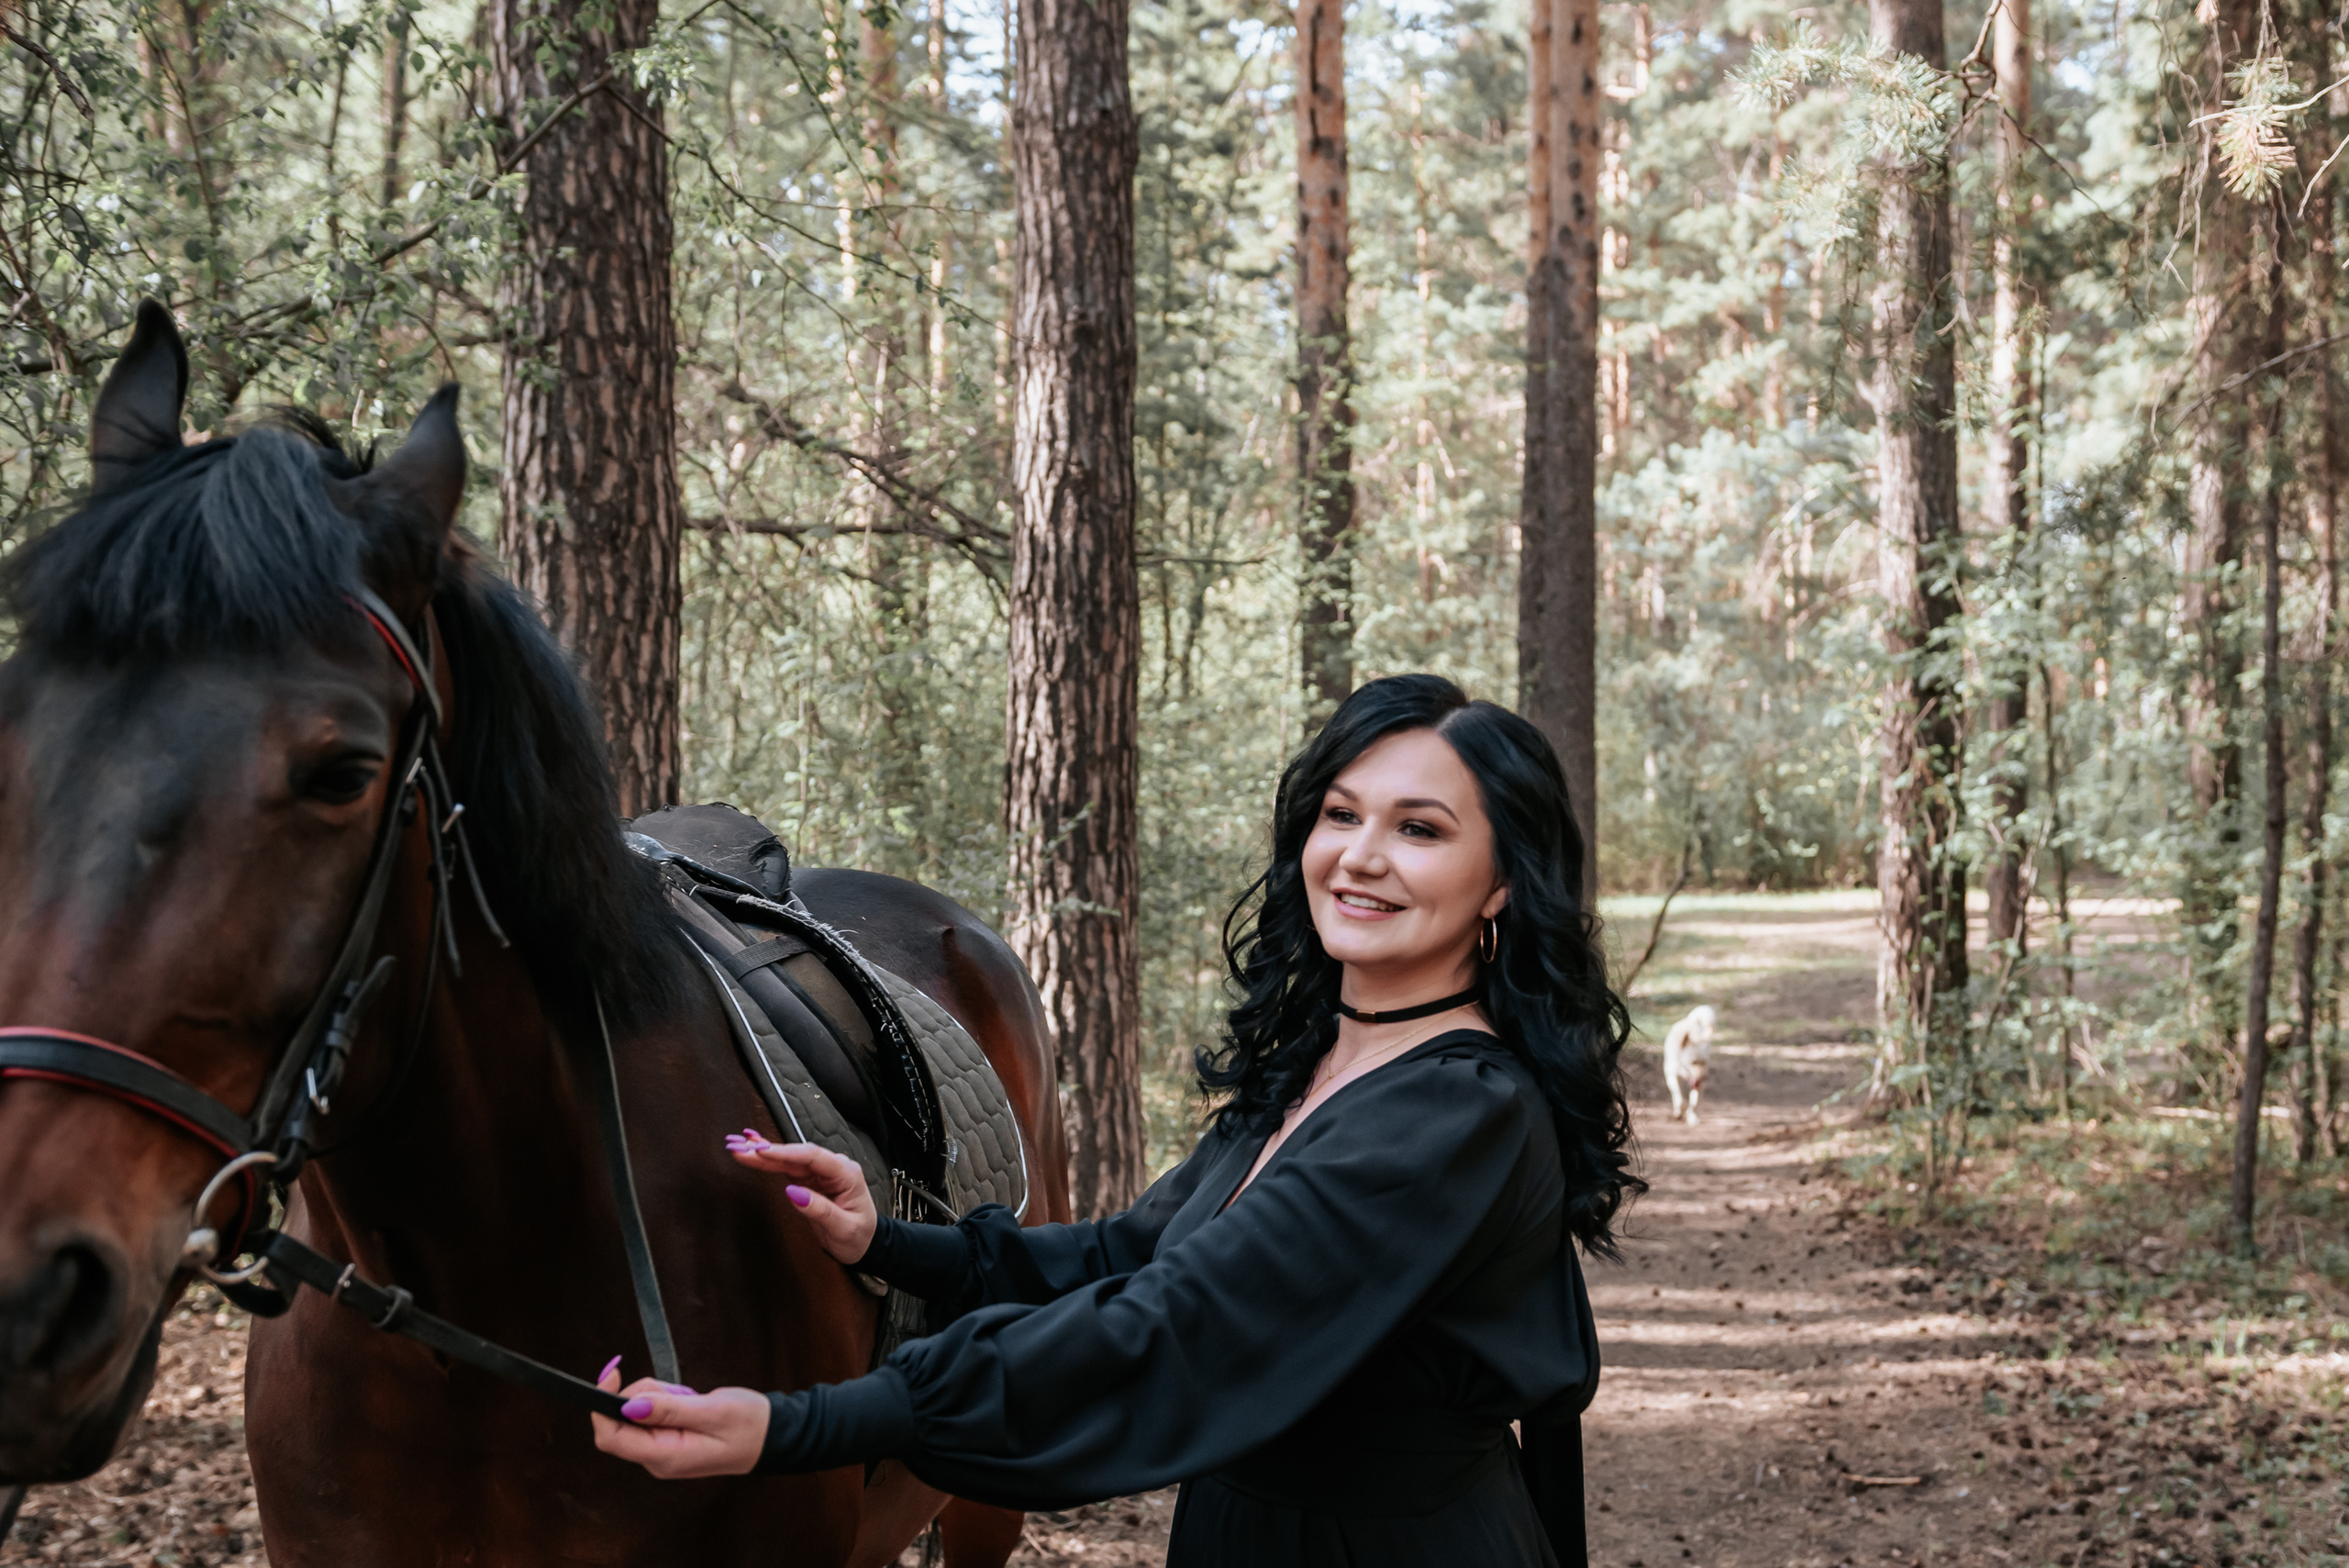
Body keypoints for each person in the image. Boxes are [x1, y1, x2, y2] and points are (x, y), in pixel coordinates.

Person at [590, 673, 1640, 1566]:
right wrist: (894, 1242)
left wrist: (802, 1422)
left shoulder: (1458, 1111)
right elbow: (1136, 1252)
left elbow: (1178, 1323)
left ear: (1501, 882)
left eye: (1419, 828)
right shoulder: (1328, 1056)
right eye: (1340, 812)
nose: (1360, 855)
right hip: (1249, 1526)